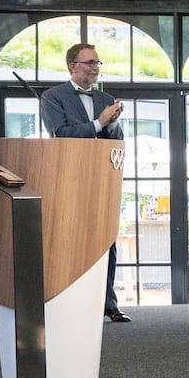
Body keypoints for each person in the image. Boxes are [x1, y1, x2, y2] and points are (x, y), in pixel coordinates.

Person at [39, 41, 131, 322]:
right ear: (72, 66)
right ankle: (71, 303)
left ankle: (109, 303)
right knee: (72, 241)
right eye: (89, 63)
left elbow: (116, 141)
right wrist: (99, 123)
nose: (95, 68)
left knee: (107, 242)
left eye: (97, 63)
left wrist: (113, 123)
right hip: (69, 179)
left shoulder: (106, 99)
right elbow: (61, 134)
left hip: (102, 180)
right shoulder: (52, 97)